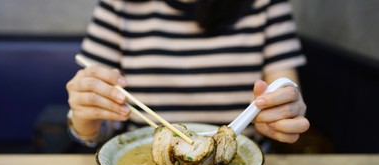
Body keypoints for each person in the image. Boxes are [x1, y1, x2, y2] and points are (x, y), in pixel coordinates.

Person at [66, 0, 310, 149]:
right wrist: (86, 121)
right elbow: (97, 114)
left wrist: (283, 113)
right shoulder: (119, 4)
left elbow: (285, 91)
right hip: (139, 160)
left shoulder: (266, 4)